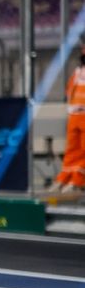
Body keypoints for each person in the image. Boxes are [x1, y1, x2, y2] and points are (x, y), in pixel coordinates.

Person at [54, 45, 85, 193]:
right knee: (72, 149)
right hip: (74, 115)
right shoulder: (78, 73)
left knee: (84, 150)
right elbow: (69, 91)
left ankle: (78, 180)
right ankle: (65, 177)